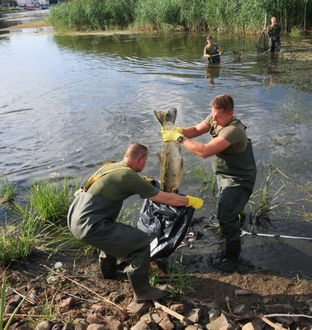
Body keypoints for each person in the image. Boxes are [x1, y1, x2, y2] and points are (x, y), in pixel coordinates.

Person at [67, 143, 204, 302]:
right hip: (90, 226)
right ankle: (142, 291)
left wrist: (145, 182)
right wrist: (188, 201)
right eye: (145, 162)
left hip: (75, 219)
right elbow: (164, 198)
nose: (144, 165)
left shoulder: (111, 167)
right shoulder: (127, 176)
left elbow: (130, 181)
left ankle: (109, 272)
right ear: (140, 159)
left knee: (110, 236)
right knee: (141, 242)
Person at [161, 94, 257, 266]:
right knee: (230, 209)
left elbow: (204, 151)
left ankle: (233, 256)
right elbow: (196, 130)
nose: (214, 118)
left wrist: (179, 138)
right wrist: (174, 131)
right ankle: (234, 224)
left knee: (225, 217)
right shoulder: (215, 117)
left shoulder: (234, 130)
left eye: (218, 116)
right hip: (224, 174)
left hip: (239, 178)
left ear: (230, 113)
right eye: (212, 114)